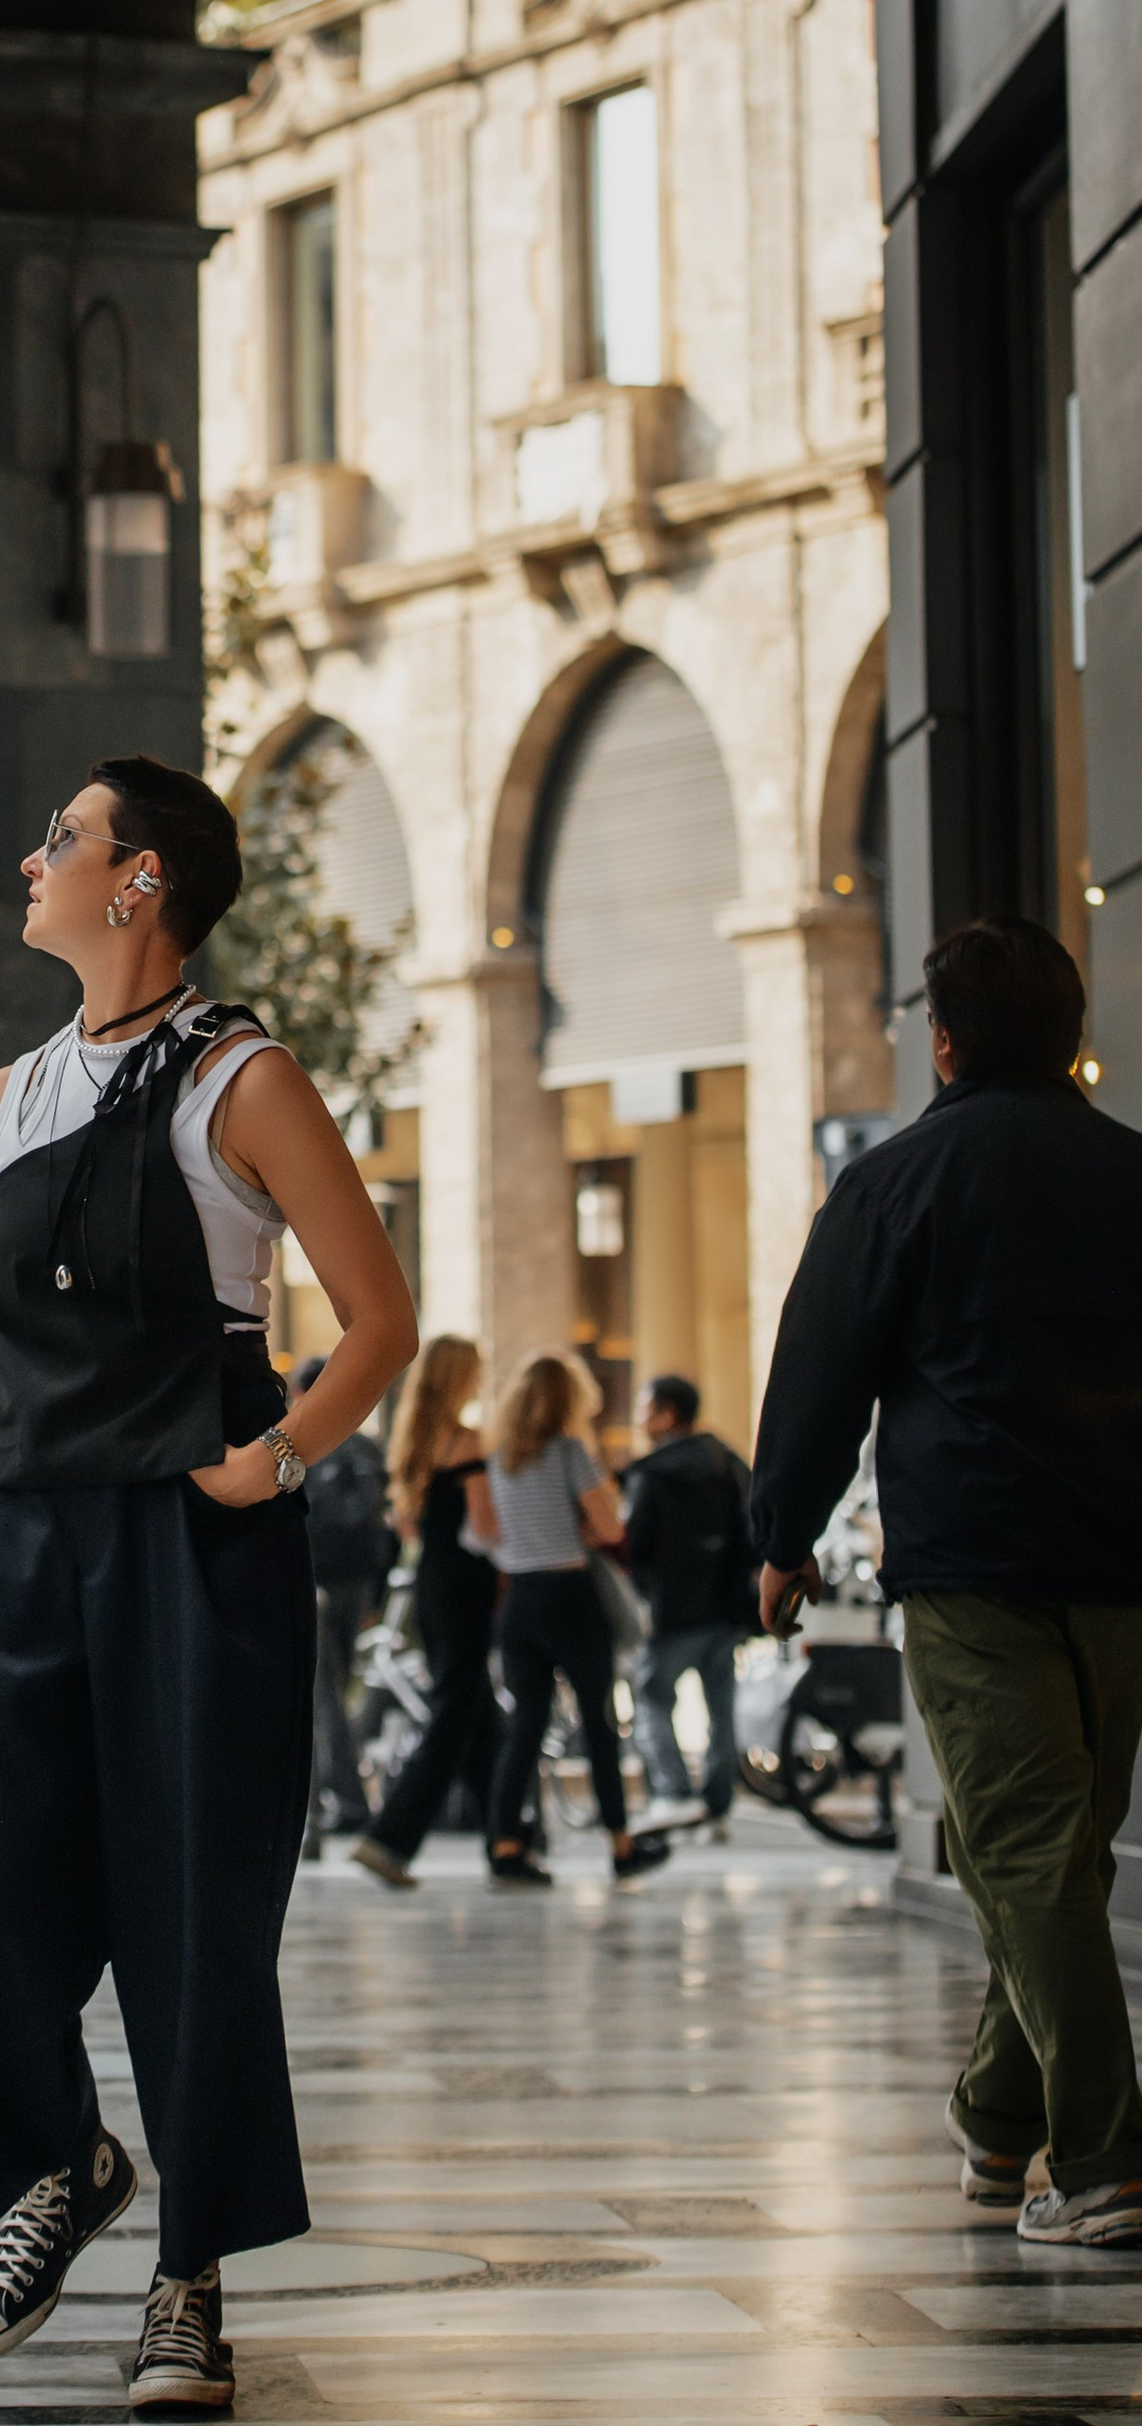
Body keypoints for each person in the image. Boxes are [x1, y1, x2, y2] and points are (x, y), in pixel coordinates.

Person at [0, 757, 417, 2415]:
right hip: (5, 1538)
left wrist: (279, 1457)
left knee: (195, 1920)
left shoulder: (244, 1076)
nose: (34, 852)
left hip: (191, 1540)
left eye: (63, 834)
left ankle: (189, 2277)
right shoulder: (2, 1096)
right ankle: (62, 2161)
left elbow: (379, 1315)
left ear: (140, 884)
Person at [750, 915, 1142, 2251]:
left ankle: (1101, 2162)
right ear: (1073, 1038)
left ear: (946, 1041)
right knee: (1060, 1846)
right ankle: (994, 2123)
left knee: (1031, 1850)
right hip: (1120, 1562)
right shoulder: (1134, 1175)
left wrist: (781, 1535)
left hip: (975, 1559)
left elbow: (821, 1373)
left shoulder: (896, 1182)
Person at [473, 1349, 671, 1884]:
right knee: (597, 1721)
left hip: (520, 1602)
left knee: (525, 1726)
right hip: (570, 1598)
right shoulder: (569, 1453)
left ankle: (505, 1843)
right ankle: (622, 1845)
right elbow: (611, 1529)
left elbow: (486, 1535)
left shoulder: (499, 1459)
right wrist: (583, 1525)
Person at [351, 1334, 498, 1886]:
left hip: (432, 1587)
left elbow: (408, 1526)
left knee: (476, 1712)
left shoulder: (413, 1441)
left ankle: (507, 1838)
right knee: (457, 1712)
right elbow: (484, 1528)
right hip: (468, 1585)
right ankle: (389, 1838)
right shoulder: (467, 1441)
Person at [621, 1370, 754, 1835]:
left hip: (672, 1609)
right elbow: (755, 1525)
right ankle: (716, 1808)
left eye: (645, 1408)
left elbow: (635, 1542)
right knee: (722, 1708)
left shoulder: (652, 1473)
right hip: (727, 1604)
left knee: (654, 1699)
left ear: (666, 1413)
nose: (639, 1418)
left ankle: (675, 1793)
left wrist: (643, 1592)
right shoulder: (729, 1462)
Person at [293, 1351, 393, 1840]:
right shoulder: (364, 1446)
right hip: (359, 1581)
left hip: (316, 1580)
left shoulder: (299, 1444)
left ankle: (338, 1802)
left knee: (322, 1694)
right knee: (336, 1688)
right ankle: (344, 1797)